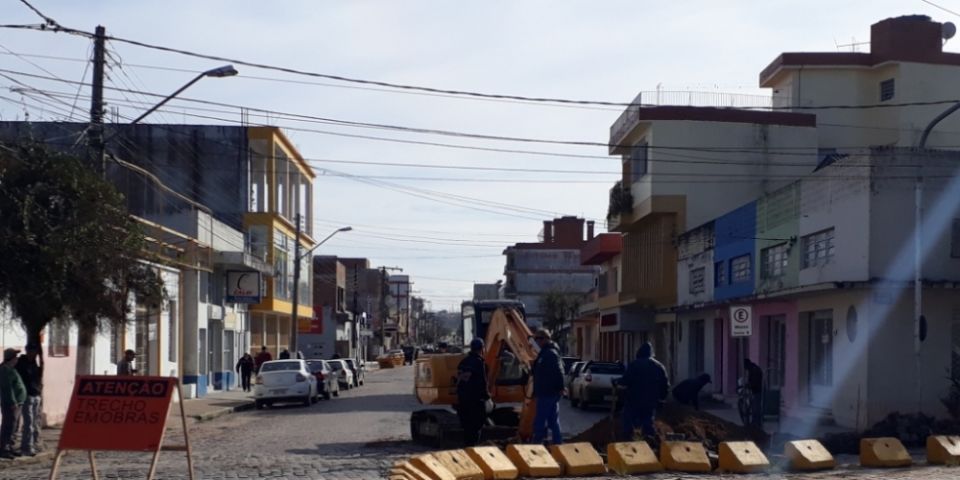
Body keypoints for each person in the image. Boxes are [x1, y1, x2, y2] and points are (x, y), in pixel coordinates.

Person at [618, 342, 668, 441]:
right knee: (648, 420)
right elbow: (665, 385)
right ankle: (649, 439)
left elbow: (625, 380)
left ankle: (627, 439)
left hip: (634, 399)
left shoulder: (634, 364)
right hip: (651, 400)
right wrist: (661, 399)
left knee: (628, 420)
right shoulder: (659, 366)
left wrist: (617, 382)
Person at [531, 328, 565, 445]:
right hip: (547, 392)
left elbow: (559, 371)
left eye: (538, 339)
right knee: (552, 420)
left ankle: (536, 445)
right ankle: (558, 444)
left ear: (545, 339)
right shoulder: (545, 353)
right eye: (536, 339)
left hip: (547, 392)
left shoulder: (550, 354)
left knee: (540, 420)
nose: (537, 341)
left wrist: (560, 387)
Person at [456, 338, 490, 447]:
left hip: (463, 400)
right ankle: (472, 447)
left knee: (467, 427)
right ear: (482, 349)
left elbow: (460, 380)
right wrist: (487, 397)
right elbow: (483, 381)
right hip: (476, 400)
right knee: (476, 427)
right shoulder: (479, 362)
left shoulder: (463, 362)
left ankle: (467, 446)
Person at [15, 344, 43, 456]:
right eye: (31, 351)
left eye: (34, 352)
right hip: (27, 396)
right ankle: (27, 447)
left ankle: (33, 444)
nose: (33, 354)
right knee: (29, 423)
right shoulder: (21, 363)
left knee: (34, 422)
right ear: (27, 351)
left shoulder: (34, 363)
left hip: (36, 394)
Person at [0, 348, 26, 459]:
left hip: (18, 402)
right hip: (11, 404)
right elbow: (8, 388)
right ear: (11, 358)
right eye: (15, 357)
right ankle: (4, 449)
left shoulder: (11, 369)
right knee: (9, 426)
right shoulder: (5, 370)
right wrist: (12, 402)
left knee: (14, 426)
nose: (17, 359)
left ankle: (10, 447)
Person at [743, 358, 764, 429]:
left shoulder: (754, 370)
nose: (744, 368)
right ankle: (754, 423)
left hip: (757, 391)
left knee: (756, 408)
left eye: (744, 366)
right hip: (755, 390)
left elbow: (755, 382)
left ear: (747, 365)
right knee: (754, 407)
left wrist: (749, 385)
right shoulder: (752, 368)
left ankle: (756, 424)